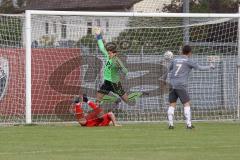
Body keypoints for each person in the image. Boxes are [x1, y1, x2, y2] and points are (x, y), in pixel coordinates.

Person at [165, 45, 215, 129]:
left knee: (172, 104)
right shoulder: (188, 61)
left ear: (182, 51)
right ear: (190, 53)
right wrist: (210, 66)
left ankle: (171, 125)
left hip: (172, 85)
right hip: (181, 85)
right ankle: (188, 124)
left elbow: (168, 70)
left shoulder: (175, 60)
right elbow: (200, 68)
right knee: (186, 104)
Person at [94, 27, 143, 105]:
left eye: (110, 53)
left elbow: (125, 70)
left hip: (115, 83)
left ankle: (136, 94)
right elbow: (101, 47)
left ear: (114, 53)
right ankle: (98, 114)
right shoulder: (107, 56)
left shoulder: (117, 61)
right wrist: (99, 35)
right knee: (98, 99)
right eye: (108, 53)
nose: (108, 54)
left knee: (127, 101)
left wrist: (119, 69)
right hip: (107, 82)